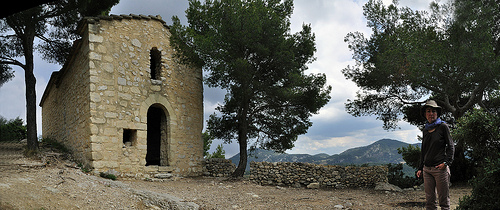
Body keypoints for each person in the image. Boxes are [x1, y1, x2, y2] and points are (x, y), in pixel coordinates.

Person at [416, 100, 455, 210]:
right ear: (425, 114)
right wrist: (420, 167)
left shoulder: (443, 127)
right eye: (428, 111)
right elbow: (424, 149)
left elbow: (451, 146)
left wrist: (446, 163)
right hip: (427, 169)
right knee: (430, 202)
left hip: (440, 169)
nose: (431, 113)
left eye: (433, 111)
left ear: (437, 113)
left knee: (444, 202)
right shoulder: (425, 130)